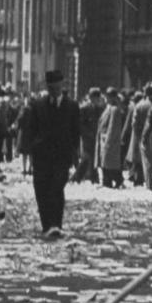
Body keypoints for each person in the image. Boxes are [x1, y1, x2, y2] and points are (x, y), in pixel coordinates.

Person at [26, 69, 80, 238]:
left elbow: (75, 132)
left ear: (62, 86)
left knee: (56, 189)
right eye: (51, 88)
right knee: (41, 191)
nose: (54, 91)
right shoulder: (38, 105)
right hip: (42, 157)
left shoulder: (72, 106)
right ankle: (46, 226)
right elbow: (31, 130)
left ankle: (56, 224)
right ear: (47, 87)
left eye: (57, 88)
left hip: (62, 158)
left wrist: (74, 155)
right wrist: (33, 149)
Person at [96, 87, 125, 188]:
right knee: (106, 163)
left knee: (109, 163)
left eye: (107, 96)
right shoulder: (108, 108)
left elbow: (112, 127)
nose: (105, 98)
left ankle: (115, 181)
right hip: (104, 139)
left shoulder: (114, 109)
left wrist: (108, 142)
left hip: (109, 141)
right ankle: (107, 181)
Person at [75, 87, 104, 183]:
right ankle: (83, 176)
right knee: (88, 157)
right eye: (96, 97)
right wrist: (86, 134)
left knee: (90, 157)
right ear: (92, 97)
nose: (98, 100)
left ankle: (88, 176)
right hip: (87, 136)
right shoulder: (84, 108)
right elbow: (80, 123)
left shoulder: (99, 108)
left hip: (95, 136)